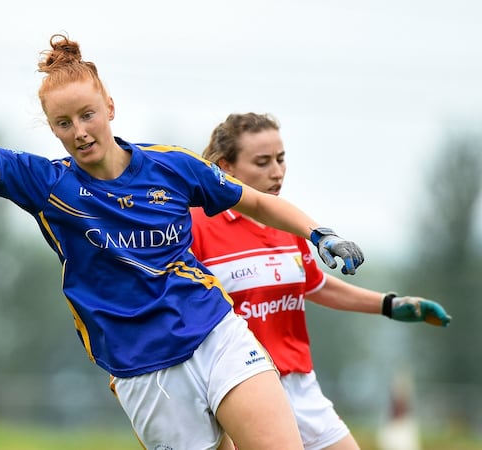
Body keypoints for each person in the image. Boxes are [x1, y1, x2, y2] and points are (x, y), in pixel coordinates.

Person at [0, 3, 366, 448]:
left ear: (109, 106)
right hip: (143, 371)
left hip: (215, 333)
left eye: (87, 114)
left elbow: (258, 203)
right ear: (53, 129)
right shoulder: (45, 184)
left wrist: (320, 233)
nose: (80, 131)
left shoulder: (171, 166)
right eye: (64, 123)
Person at [190, 112, 451, 450]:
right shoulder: (196, 226)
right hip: (242, 388)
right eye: (262, 161)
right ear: (226, 166)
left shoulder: (289, 222)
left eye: (281, 159)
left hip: (300, 386)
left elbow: (316, 285)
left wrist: (389, 304)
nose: (277, 171)